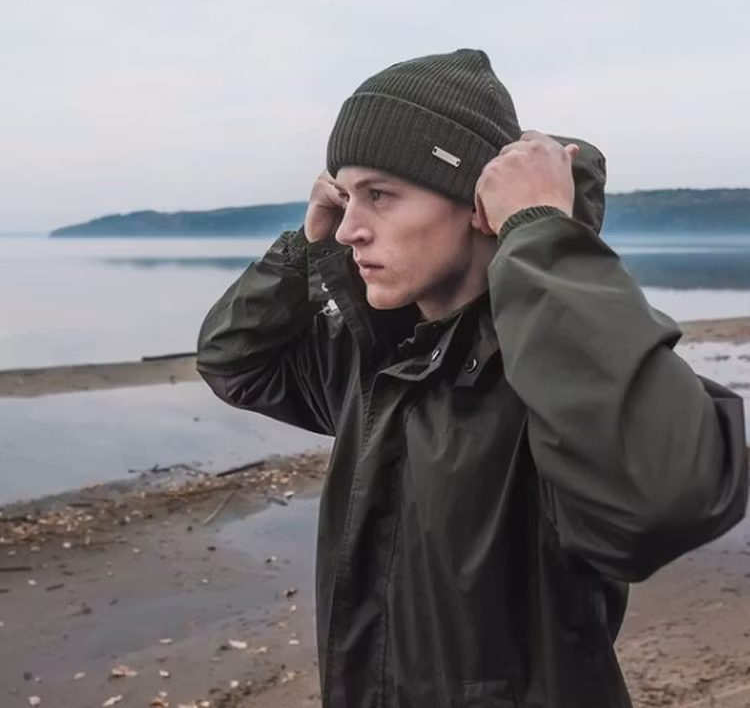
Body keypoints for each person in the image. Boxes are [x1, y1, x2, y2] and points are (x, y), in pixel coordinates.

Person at [196, 49, 748, 708]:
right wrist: (301, 249)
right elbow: (235, 361)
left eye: (380, 195)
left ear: (479, 207)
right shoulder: (376, 365)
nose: (348, 230)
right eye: (344, 198)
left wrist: (540, 232)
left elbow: (666, 497)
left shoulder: (551, 379)